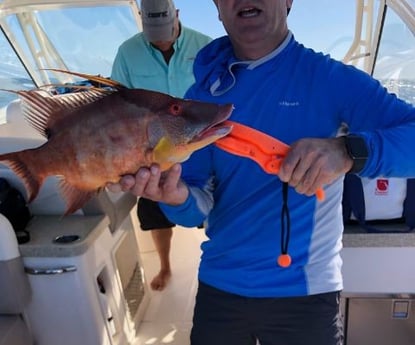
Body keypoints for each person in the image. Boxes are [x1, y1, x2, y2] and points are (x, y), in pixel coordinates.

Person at [108, 0, 415, 344]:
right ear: (218, 8)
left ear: (288, 2)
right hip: (219, 288)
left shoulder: (331, 80)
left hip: (304, 294)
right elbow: (197, 202)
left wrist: (348, 151)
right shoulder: (203, 96)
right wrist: (175, 198)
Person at [110, 0, 211, 291]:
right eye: (154, 34)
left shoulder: (205, 46)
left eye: (167, 31)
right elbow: (116, 101)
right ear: (142, 21)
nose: (162, 40)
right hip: (152, 151)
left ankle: (208, 265)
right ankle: (166, 266)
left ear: (177, 15)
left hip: (200, 147)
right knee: (155, 214)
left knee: (212, 209)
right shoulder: (127, 52)